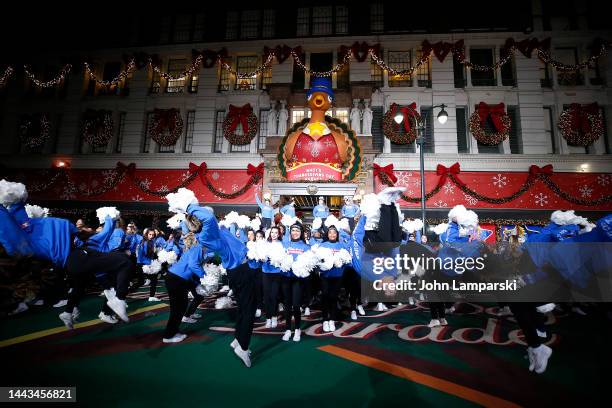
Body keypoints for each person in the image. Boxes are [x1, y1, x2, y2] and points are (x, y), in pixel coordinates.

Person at [162, 229, 206, 343]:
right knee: (178, 308)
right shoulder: (197, 247)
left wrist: (196, 284)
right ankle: (168, 336)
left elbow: (187, 271)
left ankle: (173, 331)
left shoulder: (191, 249)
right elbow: (193, 265)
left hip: (175, 278)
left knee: (179, 307)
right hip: (177, 280)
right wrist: (204, 276)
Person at [280, 223, 311, 342]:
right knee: (287, 305)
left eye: (297, 230)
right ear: (290, 232)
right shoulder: (284, 244)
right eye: (293, 230)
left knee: (296, 305)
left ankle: (297, 329)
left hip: (298, 280)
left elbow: (308, 265)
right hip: (286, 278)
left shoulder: (305, 247)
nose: (295, 232)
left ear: (301, 232)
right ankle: (288, 329)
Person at [261, 226, 283, 329]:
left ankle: (274, 316)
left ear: (279, 234)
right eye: (272, 232)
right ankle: (268, 318)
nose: (273, 234)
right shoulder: (265, 244)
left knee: (274, 296)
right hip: (266, 272)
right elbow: (260, 256)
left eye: (276, 232)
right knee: (266, 297)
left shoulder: (281, 245)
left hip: (276, 273)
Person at [138, 228, 160, 302]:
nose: (151, 236)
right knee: (140, 282)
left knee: (154, 280)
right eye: (150, 234)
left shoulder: (151, 242)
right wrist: (140, 265)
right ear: (146, 234)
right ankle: (121, 297)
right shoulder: (144, 242)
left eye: (153, 235)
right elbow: (141, 254)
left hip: (148, 264)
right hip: (144, 265)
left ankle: (151, 296)